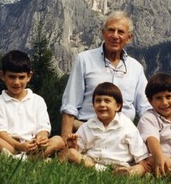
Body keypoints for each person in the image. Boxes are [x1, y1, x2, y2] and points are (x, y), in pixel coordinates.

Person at [60, 11, 152, 140]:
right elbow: (70, 105)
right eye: (111, 30)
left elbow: (146, 107)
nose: (115, 36)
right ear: (103, 33)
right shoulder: (84, 60)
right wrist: (66, 145)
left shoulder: (136, 68)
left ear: (129, 38)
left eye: (120, 32)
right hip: (88, 130)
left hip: (124, 134)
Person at [0, 50, 64, 159]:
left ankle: (18, 159)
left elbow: (43, 127)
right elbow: (1, 133)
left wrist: (41, 139)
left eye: (21, 77)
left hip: (33, 146)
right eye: (11, 77)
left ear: (29, 76)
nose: (16, 82)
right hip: (11, 145)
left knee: (58, 140)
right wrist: (19, 146)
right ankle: (29, 159)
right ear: (2, 75)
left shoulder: (37, 100)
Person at [66, 82, 150, 176]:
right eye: (98, 101)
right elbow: (79, 149)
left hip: (120, 165)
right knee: (71, 153)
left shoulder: (127, 126)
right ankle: (105, 172)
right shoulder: (88, 125)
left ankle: (125, 174)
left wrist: (142, 164)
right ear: (93, 105)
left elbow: (138, 148)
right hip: (93, 163)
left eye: (107, 101)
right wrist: (73, 146)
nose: (102, 104)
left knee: (140, 168)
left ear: (117, 106)